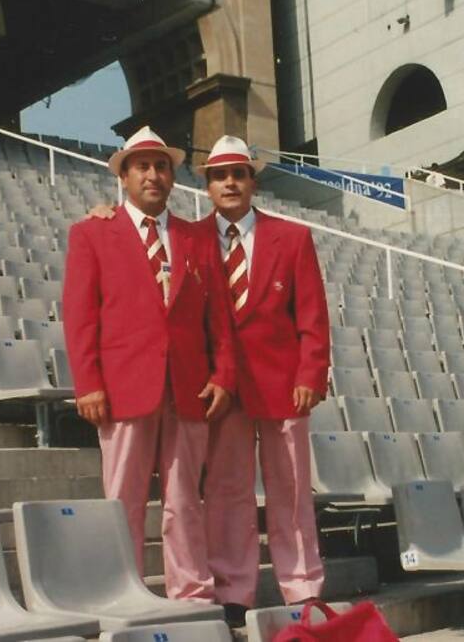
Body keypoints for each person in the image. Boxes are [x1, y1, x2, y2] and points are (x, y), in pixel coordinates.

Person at [62, 126, 236, 603]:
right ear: (123, 176)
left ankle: (193, 593)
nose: (154, 175)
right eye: (142, 166)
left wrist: (222, 374)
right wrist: (88, 384)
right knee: (123, 499)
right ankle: (122, 591)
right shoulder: (92, 234)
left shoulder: (197, 238)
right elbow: (80, 318)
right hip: (122, 388)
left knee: (184, 501)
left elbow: (218, 317)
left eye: (162, 166)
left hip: (188, 388)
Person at [197, 136, 329, 621]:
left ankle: (302, 586)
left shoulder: (292, 238)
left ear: (253, 181)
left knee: (290, 490)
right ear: (207, 184)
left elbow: (313, 316)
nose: (229, 182)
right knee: (228, 490)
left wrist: (311, 373)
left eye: (238, 173)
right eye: (219, 175)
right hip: (224, 389)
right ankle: (233, 589)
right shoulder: (191, 240)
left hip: (284, 386)